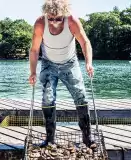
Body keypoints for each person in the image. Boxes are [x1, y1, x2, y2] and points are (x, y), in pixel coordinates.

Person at [28, 0, 94, 147]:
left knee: (81, 95)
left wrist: (88, 63)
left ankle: (87, 137)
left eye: (58, 19)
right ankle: (50, 140)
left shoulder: (72, 21)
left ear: (64, 15)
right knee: (47, 99)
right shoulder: (40, 23)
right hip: (48, 64)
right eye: (50, 18)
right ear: (46, 15)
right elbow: (34, 50)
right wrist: (32, 72)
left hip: (70, 64)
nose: (54, 22)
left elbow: (85, 43)